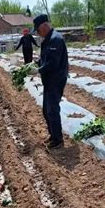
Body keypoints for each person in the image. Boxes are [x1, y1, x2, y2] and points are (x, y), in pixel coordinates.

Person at [29, 14, 68, 150]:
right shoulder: (48, 40)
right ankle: (53, 135)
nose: (38, 33)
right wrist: (34, 64)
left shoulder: (55, 40)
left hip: (55, 80)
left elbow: (52, 64)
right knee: (46, 110)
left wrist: (38, 70)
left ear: (45, 26)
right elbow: (44, 59)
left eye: (38, 30)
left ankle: (58, 140)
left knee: (52, 110)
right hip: (49, 80)